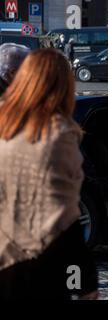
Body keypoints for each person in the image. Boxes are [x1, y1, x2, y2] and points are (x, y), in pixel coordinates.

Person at [0, 49, 98, 300]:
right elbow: (64, 218)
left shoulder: (3, 120)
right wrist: (86, 284)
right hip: (36, 262)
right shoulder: (57, 133)